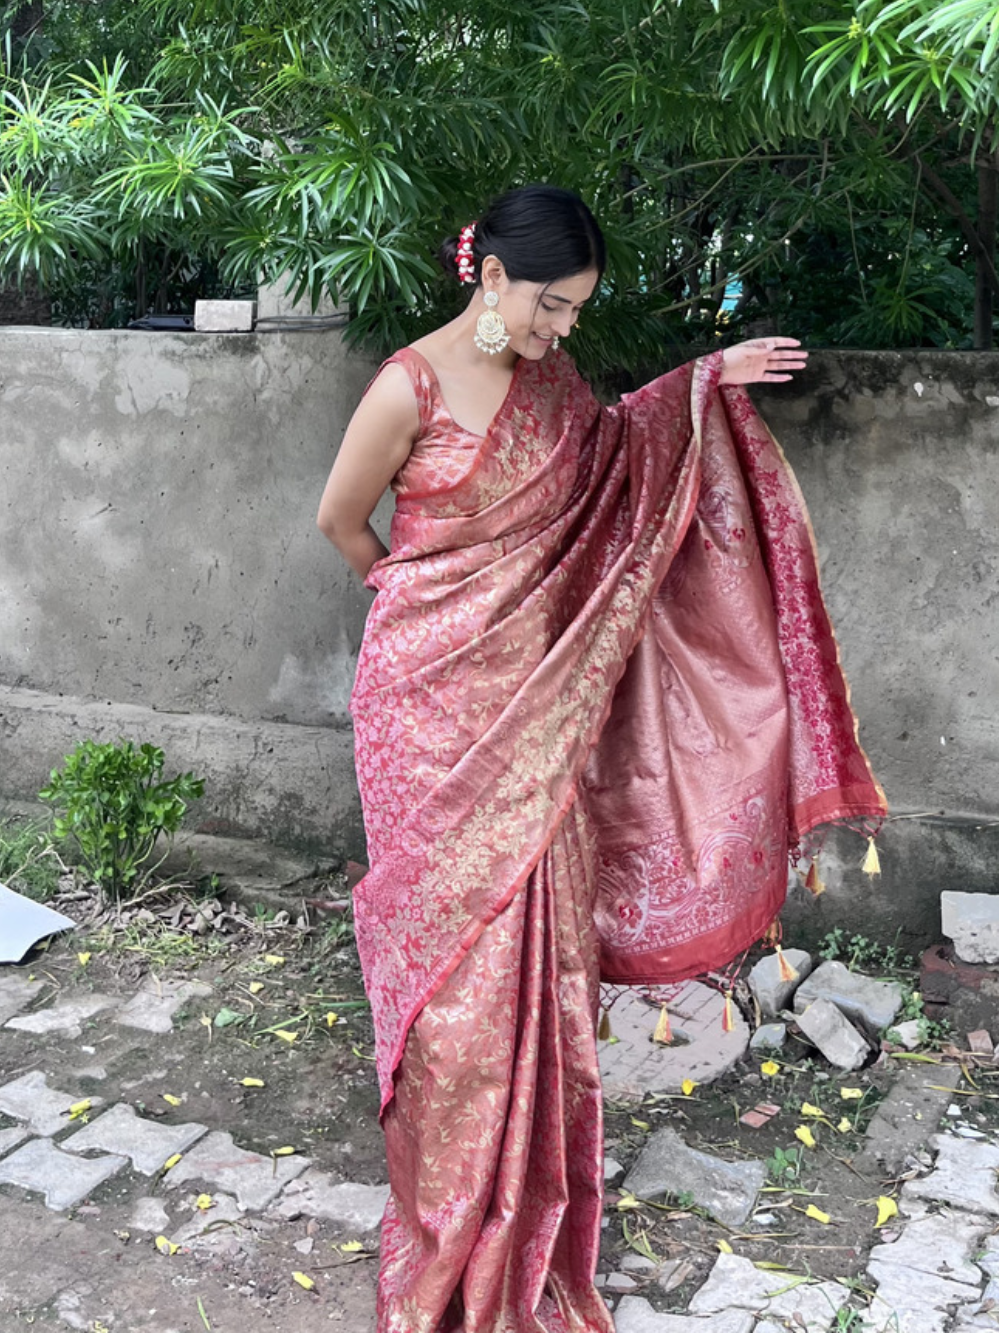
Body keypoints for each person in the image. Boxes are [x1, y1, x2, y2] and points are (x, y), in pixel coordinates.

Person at [317, 185, 885, 1333]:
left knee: (534, 971)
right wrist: (437, 609)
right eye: (549, 305)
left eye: (575, 311)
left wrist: (701, 381)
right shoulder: (406, 388)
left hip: (540, 722)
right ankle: (446, 1216)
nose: (559, 329)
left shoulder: (551, 387)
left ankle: (522, 1210)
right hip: (425, 718)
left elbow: (618, 463)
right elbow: (341, 521)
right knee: (449, 989)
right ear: (488, 276)